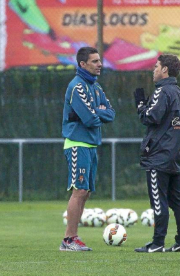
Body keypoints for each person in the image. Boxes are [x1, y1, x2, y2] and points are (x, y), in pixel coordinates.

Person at [60, 47, 115, 251]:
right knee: (79, 190)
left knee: (86, 193)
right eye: (94, 61)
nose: (99, 64)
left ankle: (73, 237)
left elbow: (111, 113)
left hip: (91, 144)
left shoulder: (96, 87)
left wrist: (99, 112)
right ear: (82, 64)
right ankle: (68, 239)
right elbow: (90, 119)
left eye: (99, 60)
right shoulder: (77, 87)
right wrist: (97, 112)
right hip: (78, 144)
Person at [133, 54, 180, 253]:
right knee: (177, 200)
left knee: (159, 200)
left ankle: (157, 243)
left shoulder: (162, 91)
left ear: (165, 69)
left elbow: (151, 117)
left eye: (156, 66)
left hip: (159, 155)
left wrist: (140, 105)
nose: (153, 70)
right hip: (176, 153)